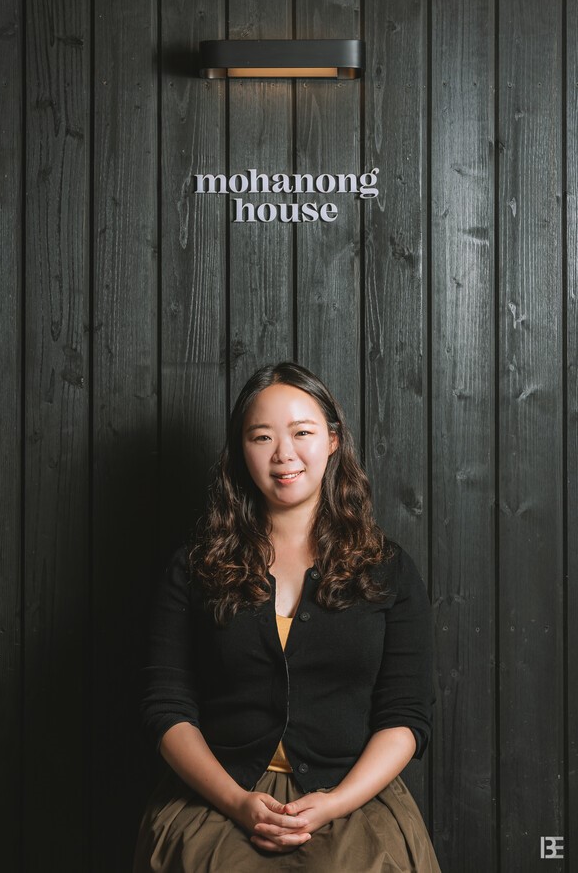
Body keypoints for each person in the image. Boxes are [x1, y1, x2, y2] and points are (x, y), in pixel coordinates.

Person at [133, 361, 441, 872]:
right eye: (262, 437)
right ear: (241, 450)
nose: (284, 454)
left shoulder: (387, 569)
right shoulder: (194, 567)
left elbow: (406, 716)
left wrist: (334, 803)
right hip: (219, 797)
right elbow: (167, 708)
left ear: (332, 440)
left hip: (353, 798)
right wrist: (237, 802)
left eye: (302, 432)